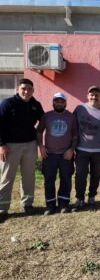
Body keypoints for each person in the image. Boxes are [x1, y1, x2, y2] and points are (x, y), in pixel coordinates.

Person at [0, 78, 44, 222]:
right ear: (18, 88)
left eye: (29, 89)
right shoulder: (7, 104)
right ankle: (2, 208)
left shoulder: (35, 105)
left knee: (28, 176)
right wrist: (1, 145)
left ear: (33, 90)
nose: (26, 91)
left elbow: (44, 121)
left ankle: (27, 204)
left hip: (30, 145)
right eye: (24, 88)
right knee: (7, 178)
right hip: (10, 146)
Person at [72, 86, 100, 212]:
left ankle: (91, 197)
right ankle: (80, 199)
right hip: (81, 149)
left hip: (99, 150)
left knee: (95, 175)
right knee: (80, 175)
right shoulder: (80, 109)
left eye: (96, 95)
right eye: (91, 95)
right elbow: (73, 127)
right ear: (87, 96)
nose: (94, 97)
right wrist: (71, 146)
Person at [37, 93, 77, 215]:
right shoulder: (46, 116)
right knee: (49, 180)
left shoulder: (71, 117)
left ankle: (64, 204)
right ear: (53, 102)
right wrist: (41, 147)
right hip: (49, 154)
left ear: (65, 103)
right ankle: (50, 205)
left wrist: (71, 150)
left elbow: (75, 135)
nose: (59, 103)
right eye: (57, 101)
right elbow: (39, 132)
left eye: (62, 101)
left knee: (66, 179)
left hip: (66, 154)